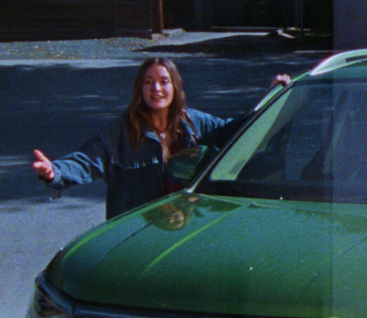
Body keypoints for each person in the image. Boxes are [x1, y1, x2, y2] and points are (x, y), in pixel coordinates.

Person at [31, 57, 230, 219]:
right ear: (140, 88)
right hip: (136, 230)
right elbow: (87, 161)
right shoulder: (121, 131)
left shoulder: (197, 124)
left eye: (164, 81)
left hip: (184, 226)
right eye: (148, 82)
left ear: (175, 87)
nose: (156, 88)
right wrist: (54, 171)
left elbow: (238, 132)